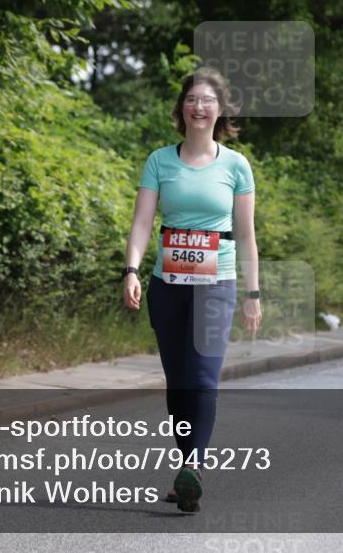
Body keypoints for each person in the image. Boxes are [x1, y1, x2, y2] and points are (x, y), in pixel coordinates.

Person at [121, 67, 261, 512]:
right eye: (192, 100)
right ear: (181, 108)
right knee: (178, 381)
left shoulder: (236, 165)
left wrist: (253, 295)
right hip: (168, 285)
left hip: (216, 284)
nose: (199, 107)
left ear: (220, 111)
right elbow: (143, 221)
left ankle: (194, 466)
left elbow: (247, 233)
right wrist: (131, 269)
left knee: (203, 376)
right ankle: (187, 472)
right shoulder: (160, 160)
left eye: (207, 100)